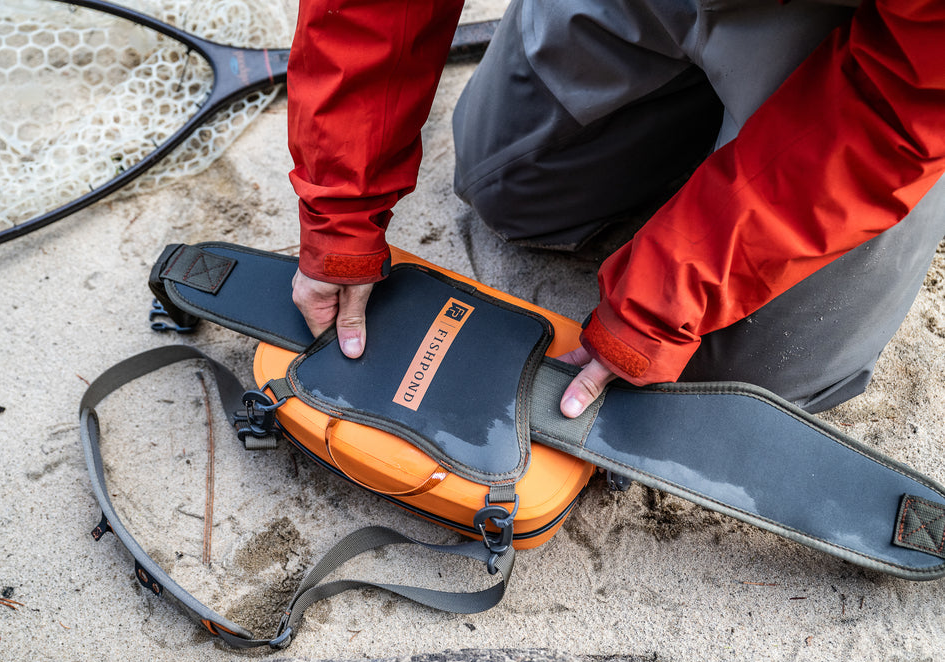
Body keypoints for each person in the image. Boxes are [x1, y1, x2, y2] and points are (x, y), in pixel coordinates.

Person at [286, 0, 945, 418]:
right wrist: (340, 210)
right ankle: (712, 117)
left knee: (731, 382)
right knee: (509, 189)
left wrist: (662, 304)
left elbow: (897, 106)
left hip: (885, 52)